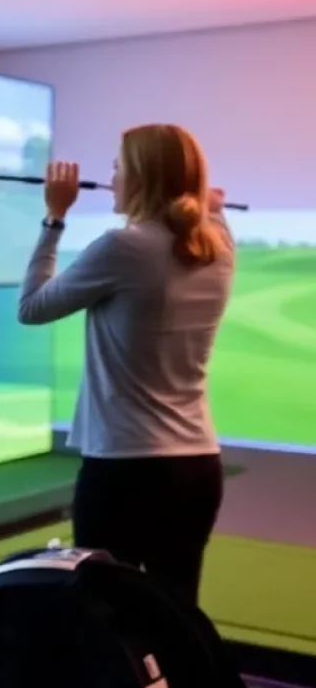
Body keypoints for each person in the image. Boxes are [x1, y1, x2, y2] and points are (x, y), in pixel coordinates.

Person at [17, 123, 235, 607]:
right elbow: (205, 214)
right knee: (176, 619)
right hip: (197, 467)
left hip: (126, 471)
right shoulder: (220, 243)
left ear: (141, 177)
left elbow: (31, 307)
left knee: (109, 623)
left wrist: (54, 218)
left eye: (118, 167)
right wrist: (208, 201)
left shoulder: (123, 248)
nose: (111, 178)